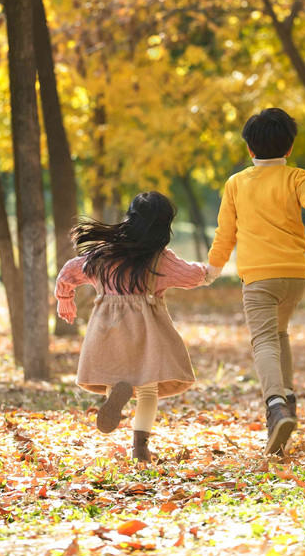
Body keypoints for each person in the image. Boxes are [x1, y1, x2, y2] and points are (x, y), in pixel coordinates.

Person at [207, 108, 305, 455]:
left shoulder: (236, 184)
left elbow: (225, 234)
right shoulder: (296, 177)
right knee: (279, 333)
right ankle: (288, 399)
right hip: (294, 276)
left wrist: (212, 270)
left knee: (263, 341)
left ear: (249, 150)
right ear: (289, 149)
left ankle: (275, 407)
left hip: (259, 278)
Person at [55, 191, 214, 463]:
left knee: (115, 376)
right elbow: (193, 276)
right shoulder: (160, 259)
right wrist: (211, 269)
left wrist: (64, 299)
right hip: (146, 329)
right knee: (148, 389)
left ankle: (114, 397)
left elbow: (69, 271)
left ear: (130, 218)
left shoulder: (102, 255)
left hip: (108, 328)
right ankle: (140, 447)